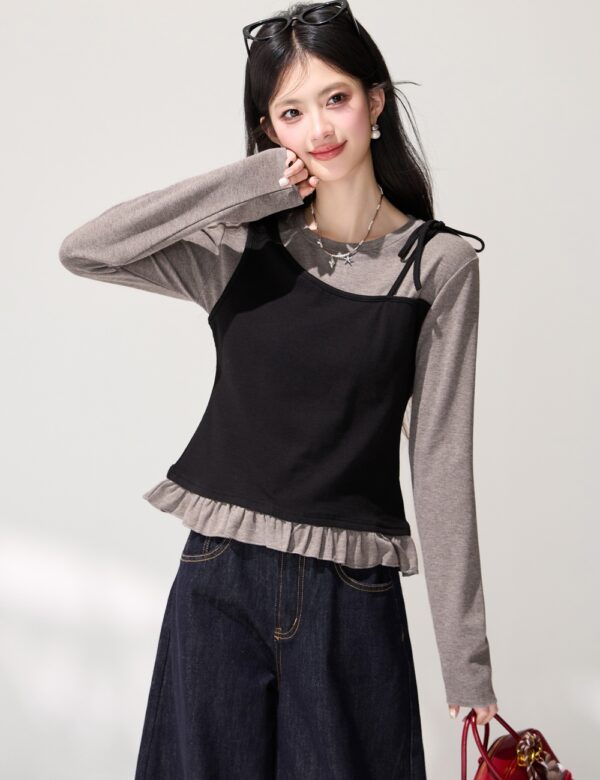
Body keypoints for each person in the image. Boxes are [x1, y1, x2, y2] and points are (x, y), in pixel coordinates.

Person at [58, 1, 498, 776]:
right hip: (218, 579)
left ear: (375, 101)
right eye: (291, 113)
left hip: (349, 597)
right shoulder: (240, 247)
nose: (320, 128)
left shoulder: (438, 267)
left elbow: (439, 459)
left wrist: (466, 666)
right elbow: (88, 249)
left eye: (336, 98)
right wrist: (251, 183)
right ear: (269, 130)